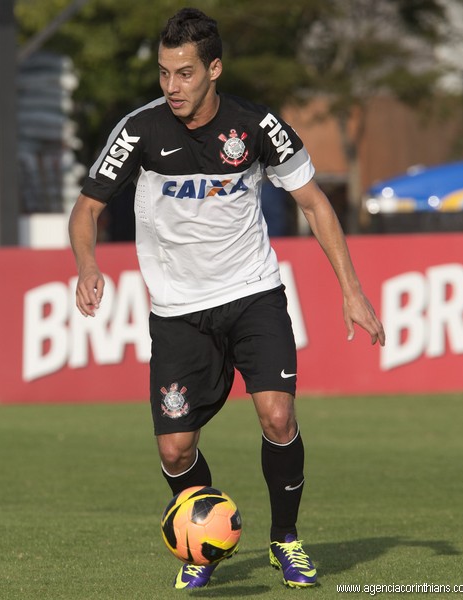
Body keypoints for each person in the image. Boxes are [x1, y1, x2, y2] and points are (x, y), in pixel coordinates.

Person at [68, 8, 385, 591]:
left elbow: (314, 203)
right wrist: (87, 264)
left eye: (185, 74)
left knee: (278, 414)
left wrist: (352, 290)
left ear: (213, 68)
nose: (172, 87)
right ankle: (203, 542)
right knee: (175, 448)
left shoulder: (259, 126)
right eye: (164, 74)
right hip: (178, 312)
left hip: (251, 294)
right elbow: (86, 209)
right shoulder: (138, 130)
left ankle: (285, 542)